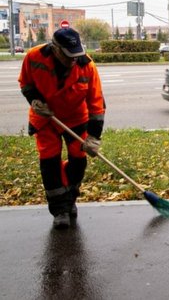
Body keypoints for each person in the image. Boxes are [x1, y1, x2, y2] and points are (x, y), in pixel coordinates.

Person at [18, 28, 105, 229]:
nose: (74, 59)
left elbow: (97, 105)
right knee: (50, 163)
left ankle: (70, 198)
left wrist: (94, 137)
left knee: (78, 161)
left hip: (76, 119)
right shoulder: (34, 57)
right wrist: (34, 101)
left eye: (77, 54)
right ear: (55, 49)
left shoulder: (87, 66)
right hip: (46, 119)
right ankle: (60, 210)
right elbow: (25, 82)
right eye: (69, 55)